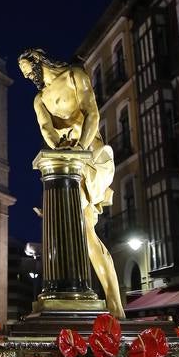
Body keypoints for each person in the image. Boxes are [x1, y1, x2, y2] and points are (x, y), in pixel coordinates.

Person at [18, 48, 125, 319]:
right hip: (66, 167)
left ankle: (84, 296)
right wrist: (61, 148)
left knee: (78, 224)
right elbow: (47, 130)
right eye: (26, 76)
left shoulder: (75, 76)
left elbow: (93, 114)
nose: (30, 77)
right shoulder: (40, 99)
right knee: (85, 233)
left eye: (30, 71)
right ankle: (110, 305)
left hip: (91, 157)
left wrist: (79, 150)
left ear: (39, 61)